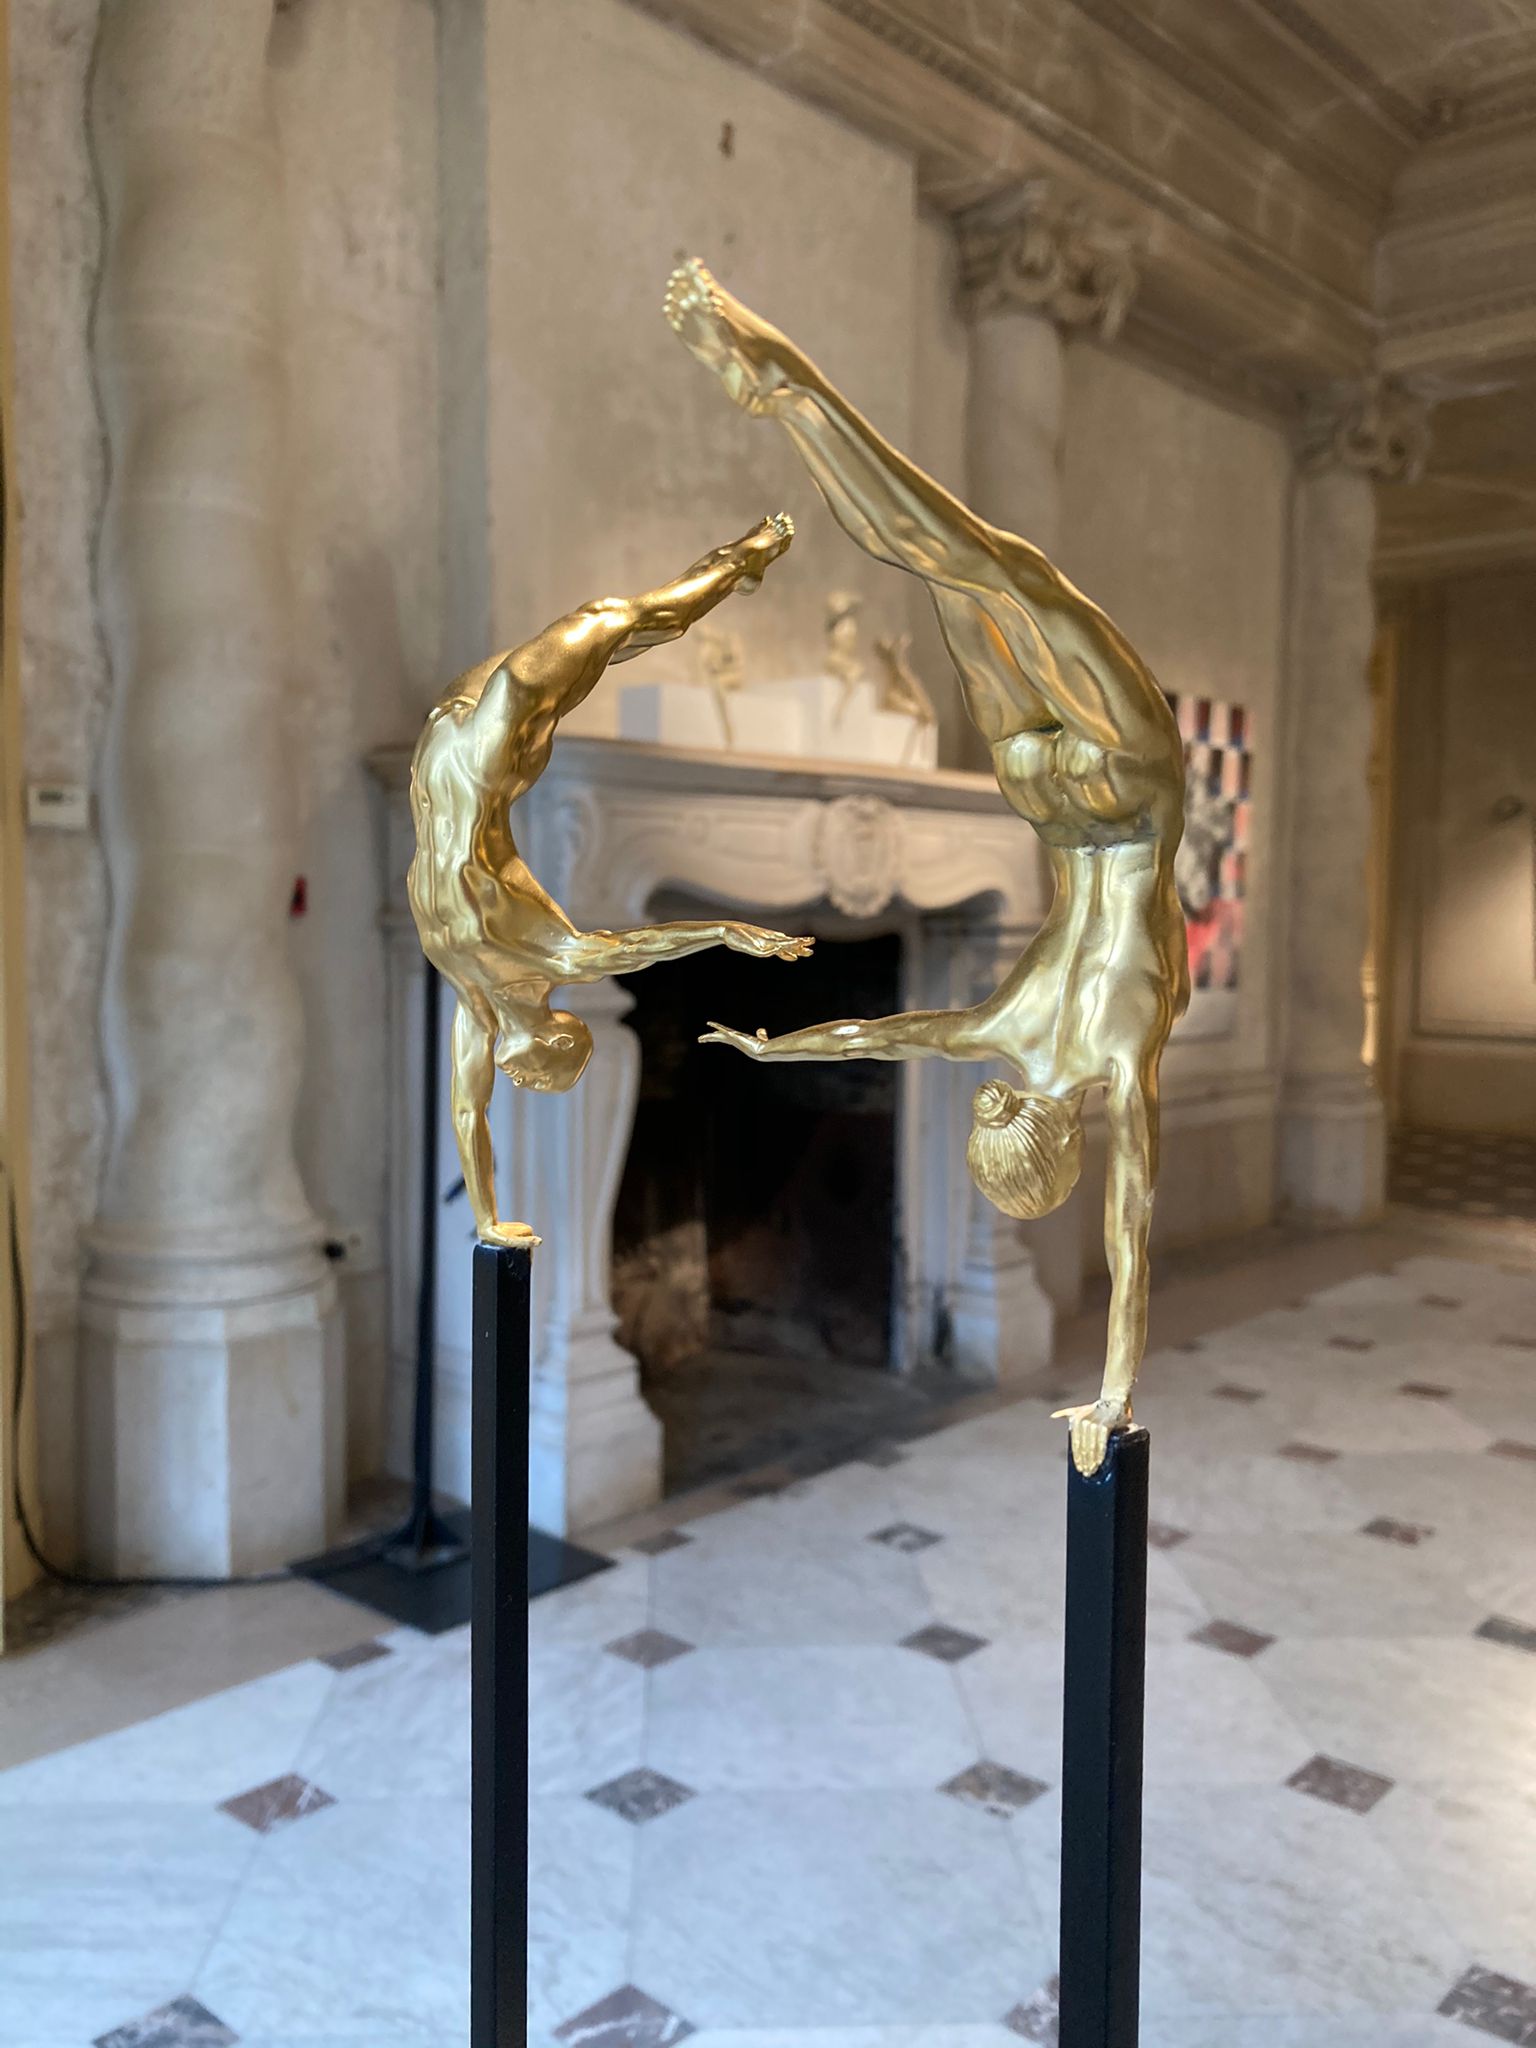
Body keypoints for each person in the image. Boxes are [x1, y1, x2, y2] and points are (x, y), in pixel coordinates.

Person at [665, 261, 1188, 1474]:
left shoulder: (1085, 1044)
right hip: (1089, 784)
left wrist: (777, 1049)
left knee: (968, 562)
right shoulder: (1036, 1033)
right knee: (961, 559)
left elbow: (1125, 1218)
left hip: (1106, 796)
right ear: (1018, 1122)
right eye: (999, 1120)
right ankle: (787, 384)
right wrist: (767, 1047)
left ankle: (788, 386)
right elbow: (896, 1037)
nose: (995, 1096)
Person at [408, 514, 813, 1248]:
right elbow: (643, 947)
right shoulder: (543, 965)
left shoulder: (484, 995)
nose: (522, 1084)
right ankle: (738, 562)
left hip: (459, 745)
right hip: (478, 755)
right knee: (616, 622)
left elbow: (468, 1111)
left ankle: (736, 566)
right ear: (550, 1042)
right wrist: (725, 932)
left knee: (614, 626)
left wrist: (488, 1220)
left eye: (533, 1083)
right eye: (541, 1080)